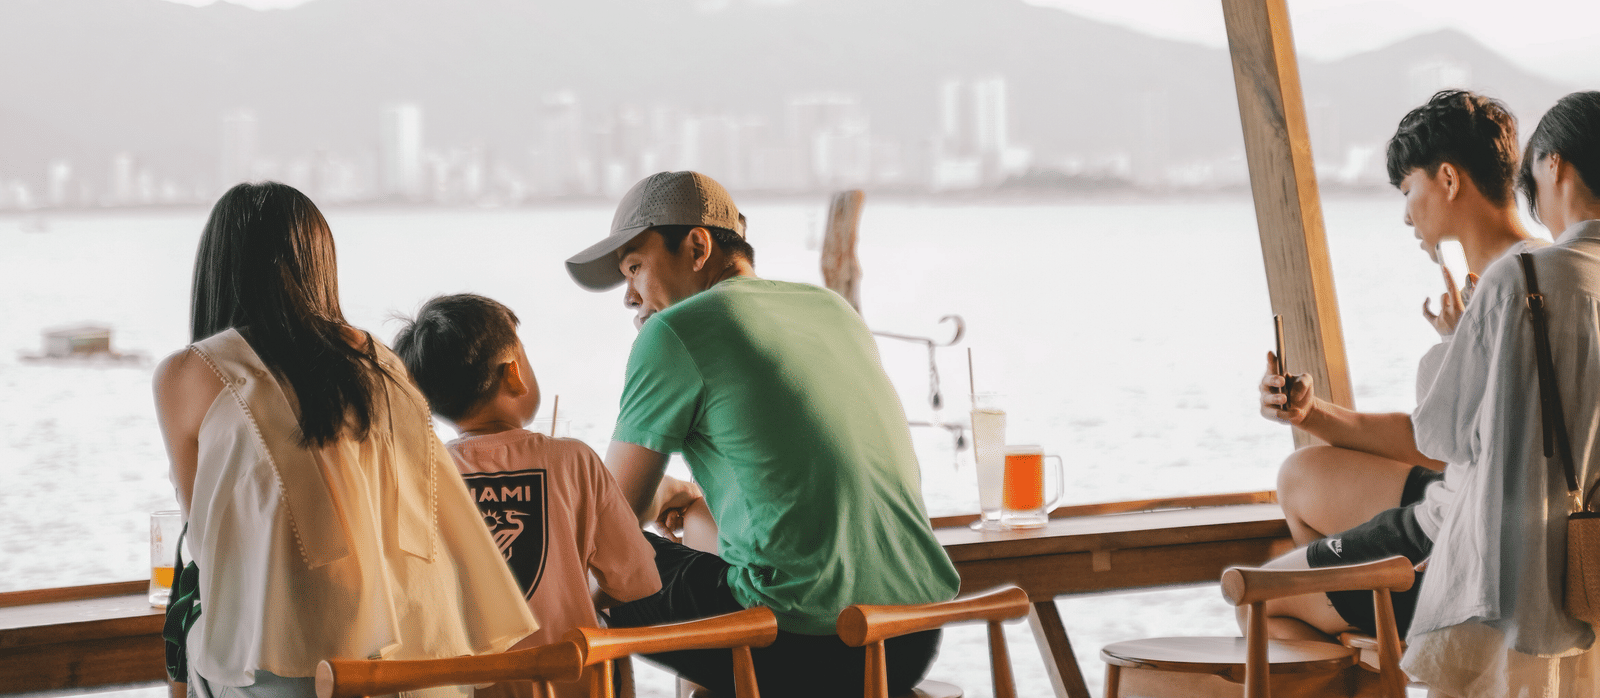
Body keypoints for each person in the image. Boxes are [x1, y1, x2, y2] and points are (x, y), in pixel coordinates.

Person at [564, 171, 961, 698]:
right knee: (694, 529)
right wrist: (678, 499)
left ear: (698, 245)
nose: (629, 297)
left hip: (803, 647)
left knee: (592, 571)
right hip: (911, 637)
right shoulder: (831, 309)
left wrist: (580, 591)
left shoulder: (675, 331)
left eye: (635, 267)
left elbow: (607, 527)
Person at [152, 183, 537, 698]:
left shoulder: (188, 374)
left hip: (287, 670)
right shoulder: (380, 361)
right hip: (421, 664)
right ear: (320, 264)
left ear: (215, 268)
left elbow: (198, 530)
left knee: (196, 639)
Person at [1251, 90, 1541, 642]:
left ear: (1449, 180)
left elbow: (1434, 440)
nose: (1406, 214)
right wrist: (1310, 413)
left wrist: (1458, 345)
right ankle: (1364, 629)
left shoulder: (1506, 291)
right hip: (1477, 502)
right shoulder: (1526, 271)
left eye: (1409, 189)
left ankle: (1372, 640)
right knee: (1300, 476)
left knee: (1260, 601)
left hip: (1471, 539)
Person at [1399, 90, 1600, 698]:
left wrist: (1453, 344)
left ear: (1554, 164)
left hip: (1506, 567)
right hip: (1588, 569)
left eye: (1533, 175)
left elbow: (1441, 434)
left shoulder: (1521, 279)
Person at [392, 293, 662, 698]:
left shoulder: (419, 475)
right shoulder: (573, 459)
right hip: (572, 684)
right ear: (515, 374)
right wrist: (577, 592)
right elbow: (637, 581)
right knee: (610, 640)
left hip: (475, 689)